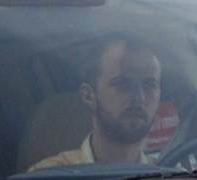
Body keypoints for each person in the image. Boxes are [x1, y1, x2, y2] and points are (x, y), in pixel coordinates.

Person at [30, 35, 163, 169]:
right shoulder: (47, 177)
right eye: (123, 84)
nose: (140, 97)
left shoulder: (168, 175)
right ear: (89, 96)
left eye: (149, 85)